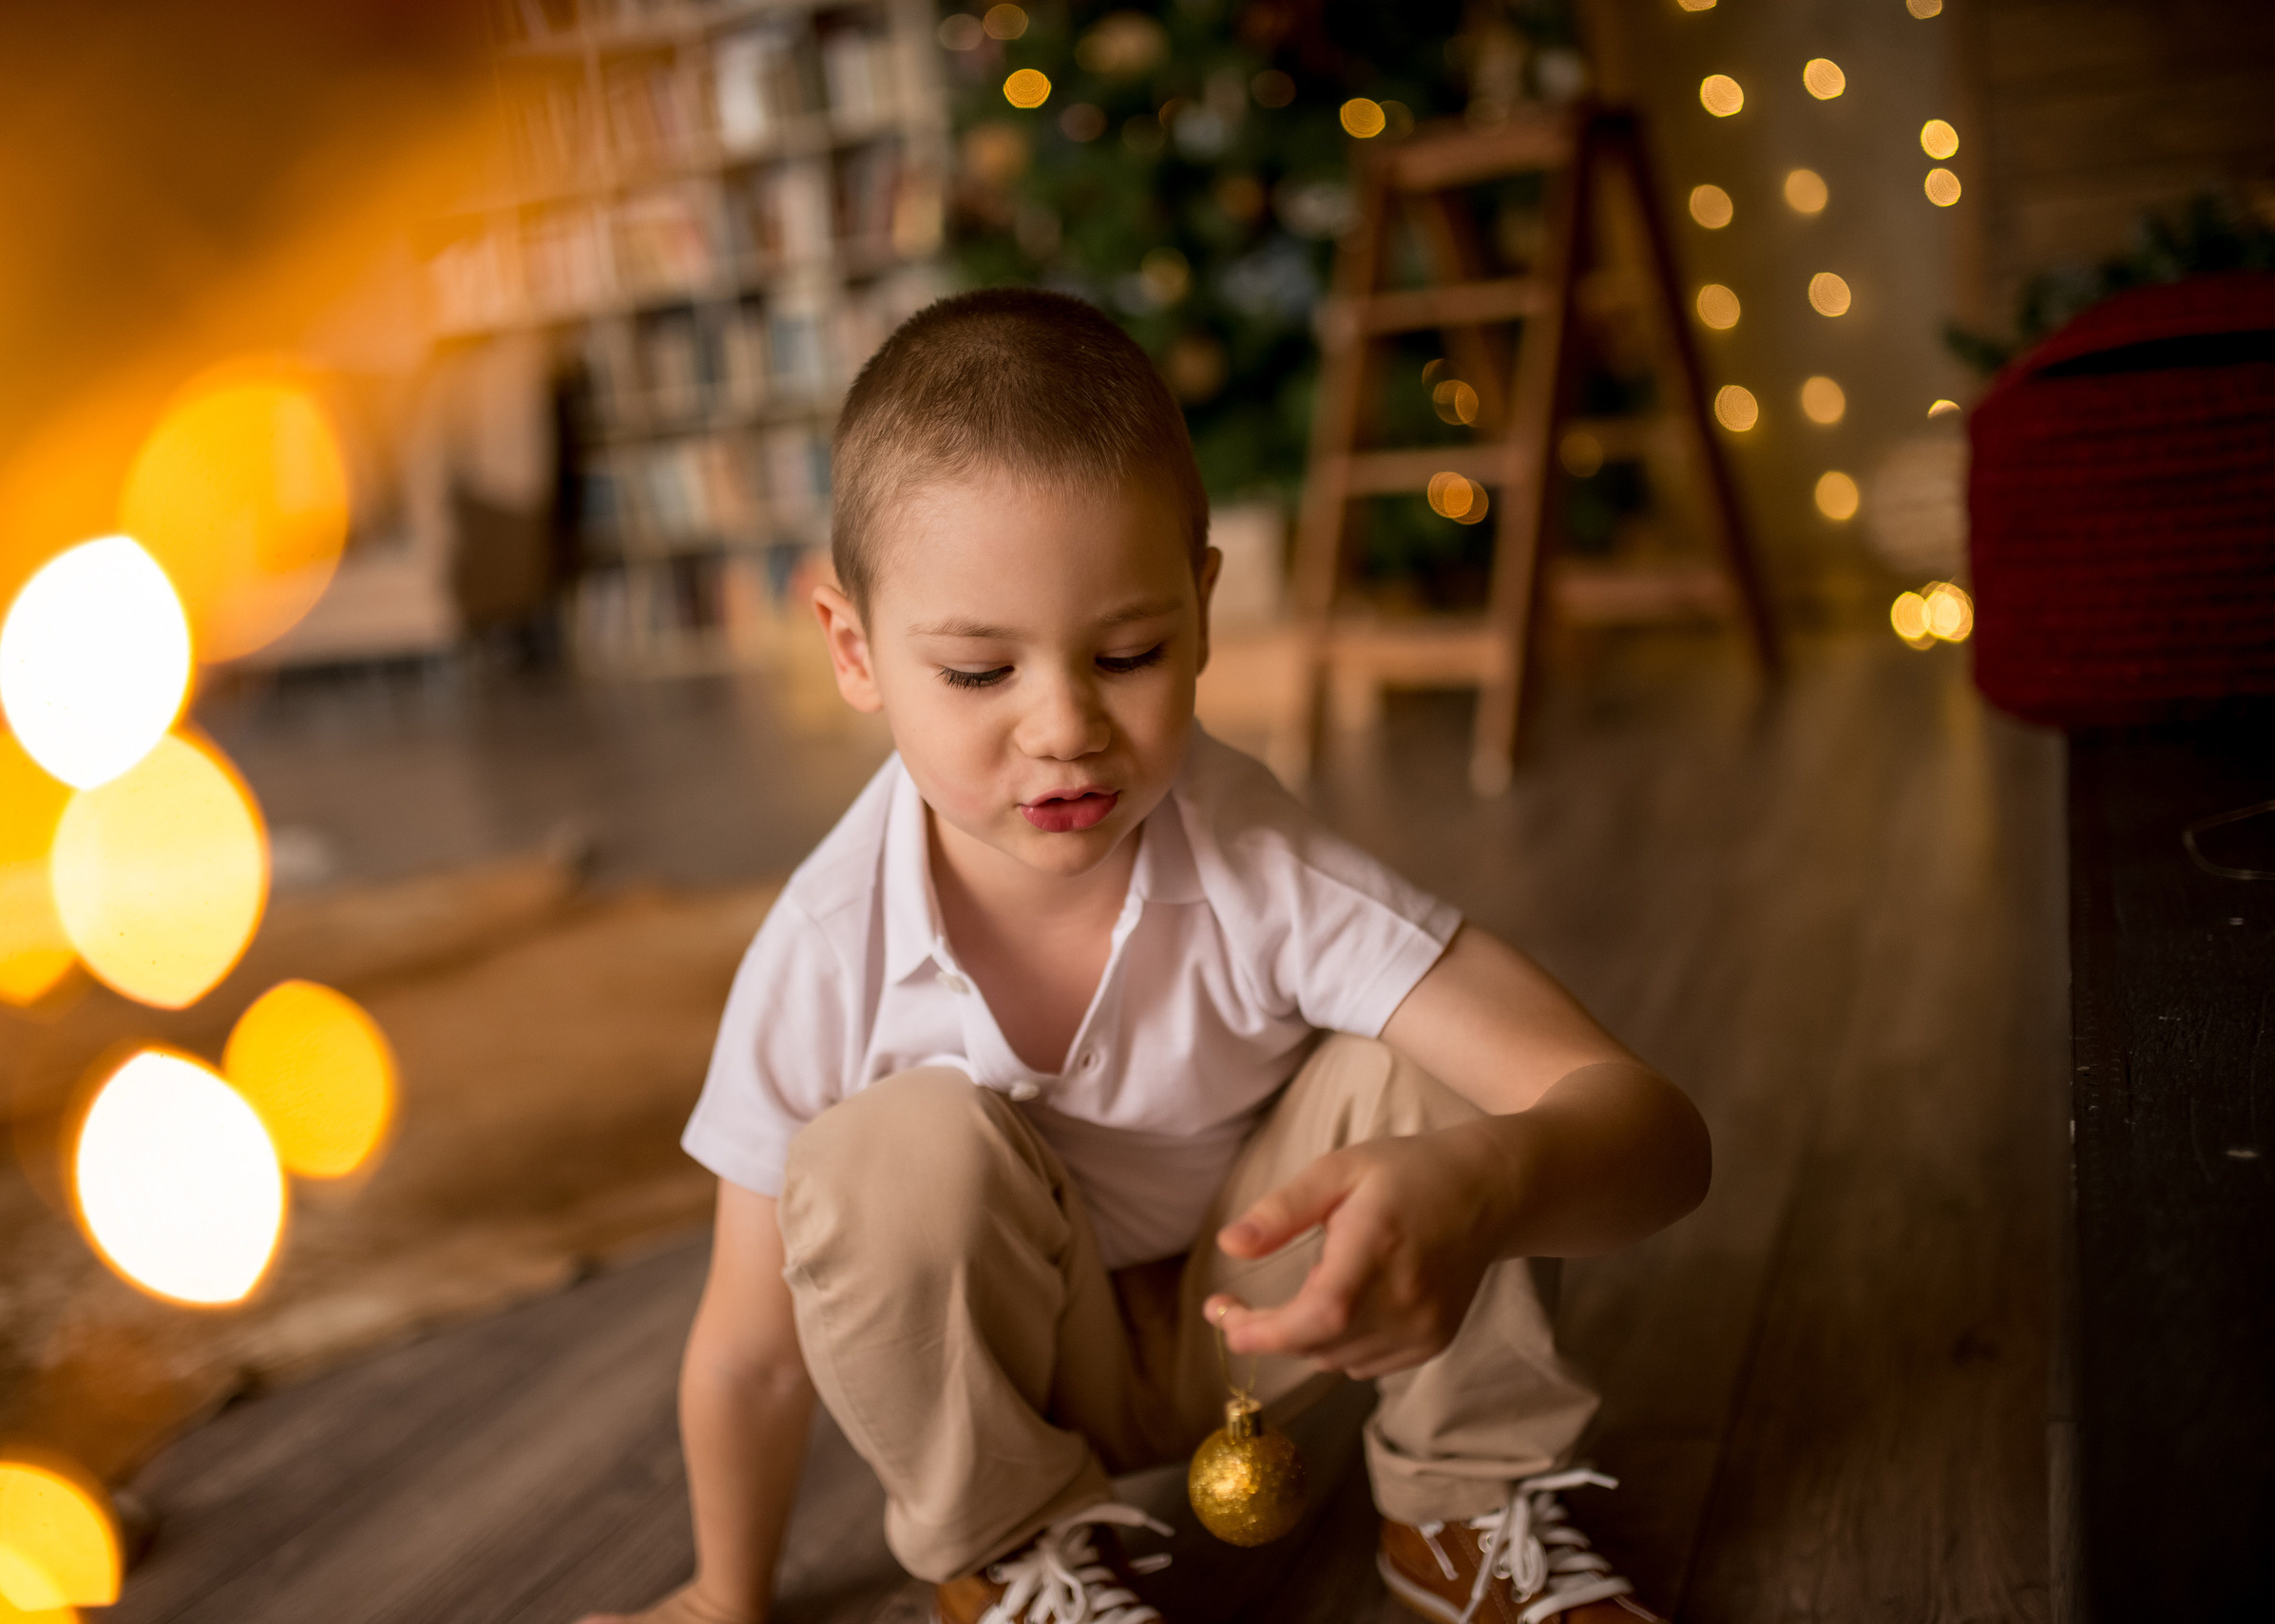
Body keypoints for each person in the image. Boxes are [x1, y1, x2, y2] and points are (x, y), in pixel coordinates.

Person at [581, 290, 1708, 1624]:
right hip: (1018, 1369)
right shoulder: (825, 950)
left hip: (1265, 1308)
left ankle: (1463, 1508)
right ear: (853, 649)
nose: (1065, 727)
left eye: (1128, 653)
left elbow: (1657, 1137)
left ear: (1203, 610)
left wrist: (1490, 1181)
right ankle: (1011, 1550)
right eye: (980, 673)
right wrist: (721, 1598)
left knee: (1441, 1072)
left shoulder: (1266, 871)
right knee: (884, 1152)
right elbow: (752, 1356)